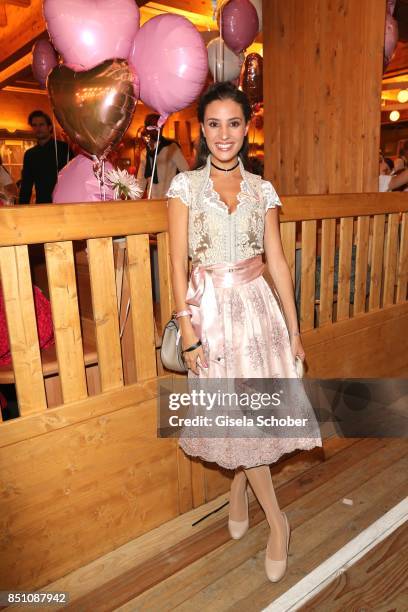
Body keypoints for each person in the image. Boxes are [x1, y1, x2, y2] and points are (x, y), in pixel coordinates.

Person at [167, 82, 322, 583]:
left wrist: (294, 329)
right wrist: (187, 328)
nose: (224, 134)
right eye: (213, 124)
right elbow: (175, 264)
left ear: (248, 126)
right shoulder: (185, 188)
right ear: (202, 129)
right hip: (210, 316)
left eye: (234, 123)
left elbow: (276, 259)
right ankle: (277, 519)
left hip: (258, 314)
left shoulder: (262, 189)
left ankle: (259, 508)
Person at [19, 110, 73, 204]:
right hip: (42, 203)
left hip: (64, 202)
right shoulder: (30, 154)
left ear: (49, 127)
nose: (38, 128)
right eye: (34, 125)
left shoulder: (64, 148)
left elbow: (73, 177)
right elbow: (26, 186)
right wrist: (21, 210)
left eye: (41, 124)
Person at [136, 113, 189, 198]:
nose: (156, 130)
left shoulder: (171, 148)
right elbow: (141, 180)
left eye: (159, 126)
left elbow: (186, 172)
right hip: (151, 200)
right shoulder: (145, 152)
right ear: (147, 128)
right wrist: (134, 201)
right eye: (153, 126)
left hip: (168, 199)